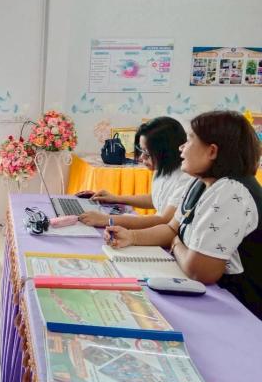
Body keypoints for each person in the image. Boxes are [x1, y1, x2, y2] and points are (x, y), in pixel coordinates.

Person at [105, 111, 262, 319]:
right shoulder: (201, 183)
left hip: (241, 307)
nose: (181, 147)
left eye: (189, 140)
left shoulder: (231, 192)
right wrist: (131, 236)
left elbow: (200, 271)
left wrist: (175, 242)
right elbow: (171, 228)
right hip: (209, 294)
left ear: (212, 151)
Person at [79, 117, 192, 229]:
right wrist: (115, 198)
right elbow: (157, 199)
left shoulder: (185, 178)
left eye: (147, 153)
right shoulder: (162, 169)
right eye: (141, 150)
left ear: (167, 152)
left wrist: (107, 219)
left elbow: (164, 220)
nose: (141, 158)